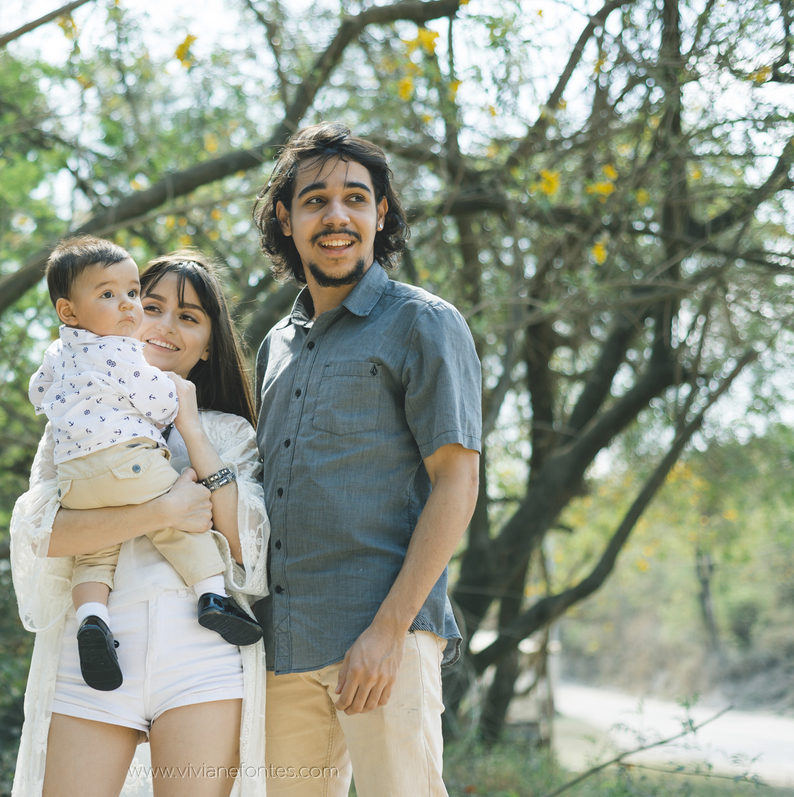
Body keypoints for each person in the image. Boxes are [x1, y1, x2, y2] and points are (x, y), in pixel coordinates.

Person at [251, 121, 482, 797]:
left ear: (380, 215)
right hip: (284, 647)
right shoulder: (275, 346)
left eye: (355, 198)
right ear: (286, 219)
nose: (337, 216)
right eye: (315, 200)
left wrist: (387, 632)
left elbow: (457, 482)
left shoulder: (423, 323)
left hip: (385, 640)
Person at [10, 252, 268, 797]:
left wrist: (191, 426)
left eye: (189, 317)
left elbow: (248, 548)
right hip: (94, 653)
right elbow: (41, 538)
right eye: (151, 306)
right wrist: (159, 513)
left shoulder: (231, 432)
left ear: (208, 345)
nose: (165, 325)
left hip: (202, 657)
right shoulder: (74, 419)